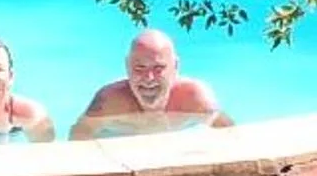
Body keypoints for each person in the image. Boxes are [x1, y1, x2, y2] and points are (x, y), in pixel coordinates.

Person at [71, 28, 230, 139]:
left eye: (158, 68)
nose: (149, 78)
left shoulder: (197, 100)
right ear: (127, 67)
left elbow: (232, 138)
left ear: (175, 67)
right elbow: (78, 139)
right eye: (140, 68)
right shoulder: (109, 102)